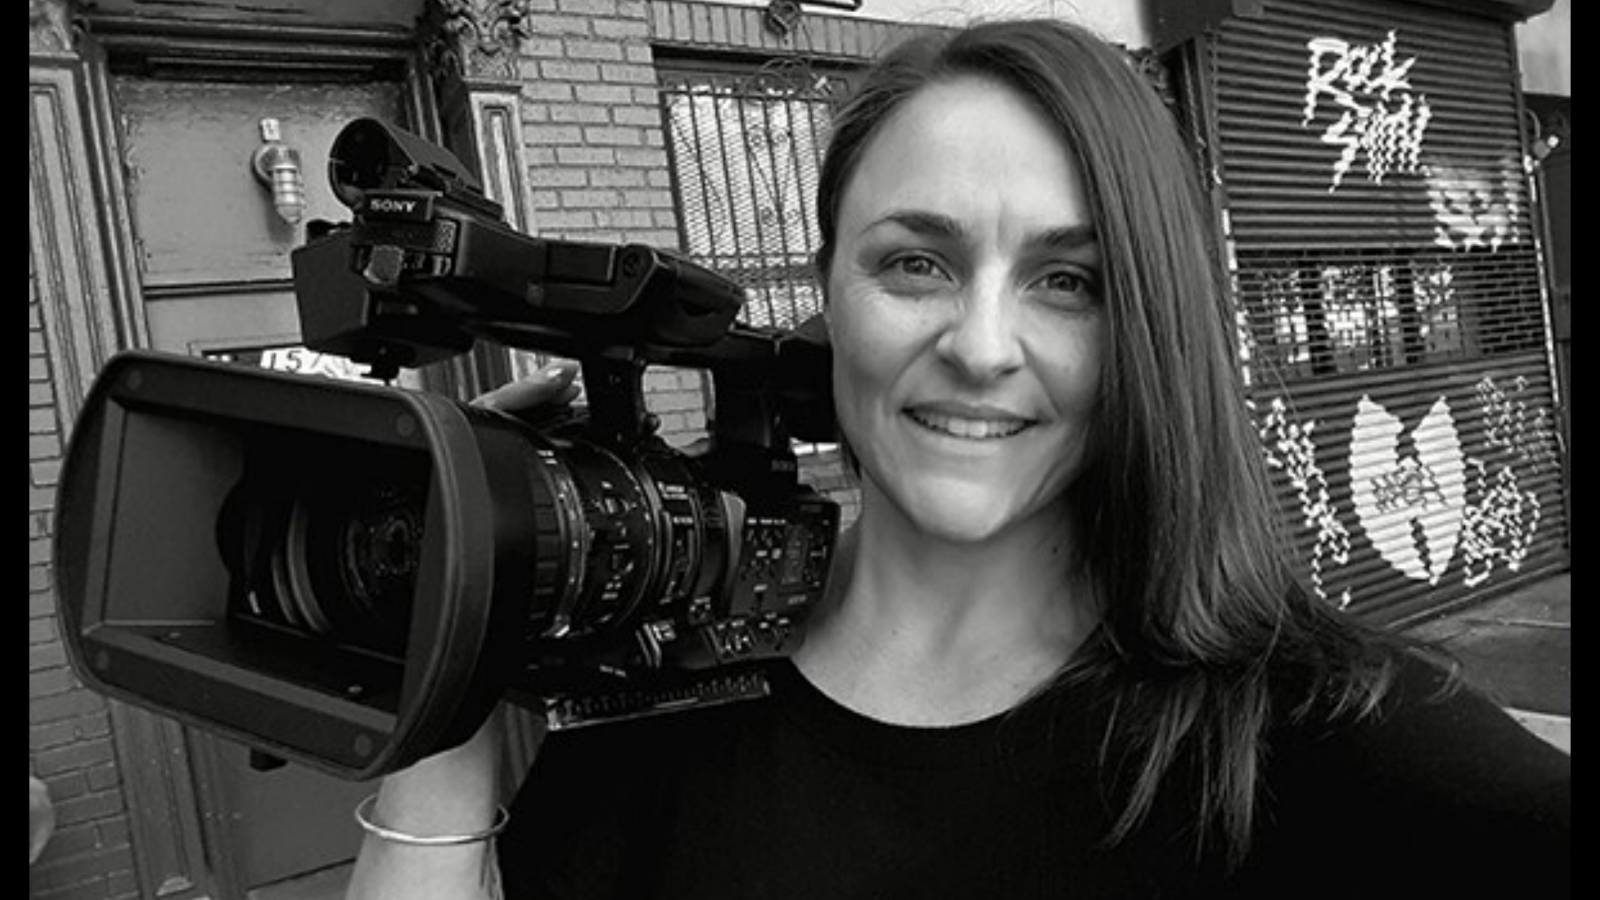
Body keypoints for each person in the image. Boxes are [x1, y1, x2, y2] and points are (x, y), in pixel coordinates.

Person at [346, 17, 1570, 899]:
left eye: (1068, 282)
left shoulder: (1329, 738)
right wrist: (447, 694)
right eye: (913, 263)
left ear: (1148, 329)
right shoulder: (636, 709)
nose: (981, 346)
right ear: (827, 294)